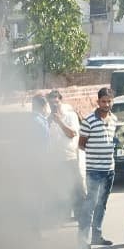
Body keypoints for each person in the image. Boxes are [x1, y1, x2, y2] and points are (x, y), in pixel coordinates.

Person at [77, 88, 116, 248]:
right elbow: (81, 144)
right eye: (103, 101)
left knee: (102, 204)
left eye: (109, 101)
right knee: (90, 205)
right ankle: (83, 240)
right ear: (98, 101)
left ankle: (97, 236)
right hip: (94, 170)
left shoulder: (114, 119)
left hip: (109, 169)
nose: (106, 104)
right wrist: (96, 154)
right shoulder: (89, 120)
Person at [46, 90, 84, 220]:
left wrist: (59, 121)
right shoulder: (47, 119)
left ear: (60, 101)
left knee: (76, 188)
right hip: (55, 160)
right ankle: (63, 215)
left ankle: (80, 215)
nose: (54, 105)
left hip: (70, 157)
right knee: (61, 188)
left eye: (56, 102)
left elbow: (72, 134)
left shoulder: (70, 115)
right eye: (51, 103)